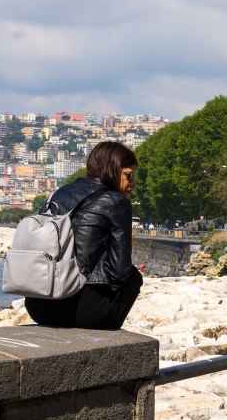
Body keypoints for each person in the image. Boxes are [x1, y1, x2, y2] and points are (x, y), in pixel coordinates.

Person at [24, 141, 143, 331]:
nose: (132, 184)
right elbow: (120, 271)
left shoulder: (59, 194)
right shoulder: (116, 201)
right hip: (84, 314)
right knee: (134, 277)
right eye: (128, 176)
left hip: (39, 306)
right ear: (112, 170)